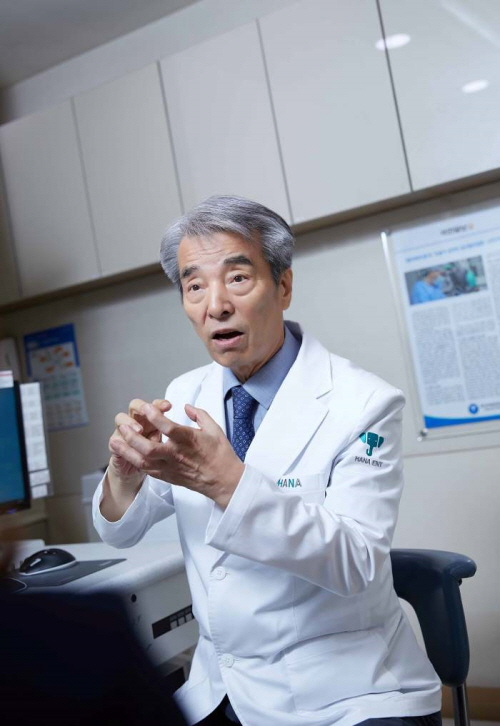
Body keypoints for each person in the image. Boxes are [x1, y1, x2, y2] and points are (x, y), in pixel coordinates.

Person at [93, 196, 442, 726]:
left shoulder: (364, 403)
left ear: (283, 286)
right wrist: (124, 474)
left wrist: (227, 482)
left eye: (237, 278)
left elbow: (358, 564)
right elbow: (120, 532)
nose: (215, 306)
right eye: (194, 286)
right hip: (222, 686)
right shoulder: (186, 394)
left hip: (345, 692)